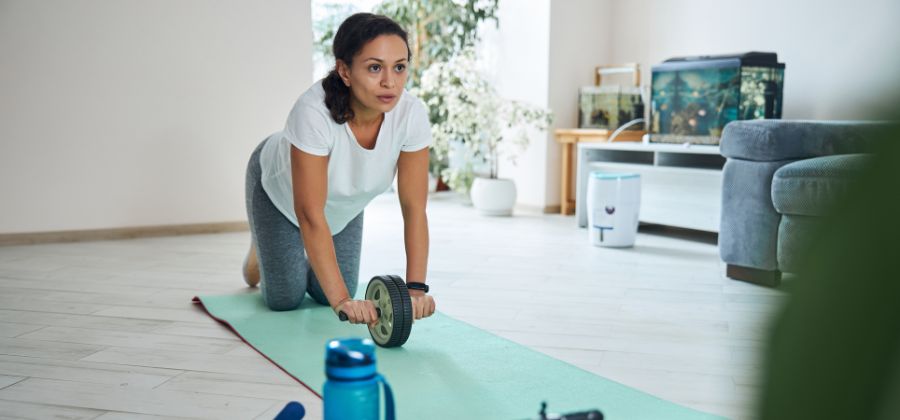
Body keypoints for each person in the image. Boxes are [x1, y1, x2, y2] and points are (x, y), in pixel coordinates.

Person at [241, 13, 435, 326]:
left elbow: (414, 208)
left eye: (399, 67)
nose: (390, 81)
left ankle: (273, 249)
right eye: (375, 67)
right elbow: (309, 214)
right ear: (344, 70)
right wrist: (343, 301)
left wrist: (415, 289)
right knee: (285, 298)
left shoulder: (411, 114)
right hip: (279, 189)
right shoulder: (312, 113)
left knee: (321, 294)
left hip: (345, 200)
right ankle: (260, 248)